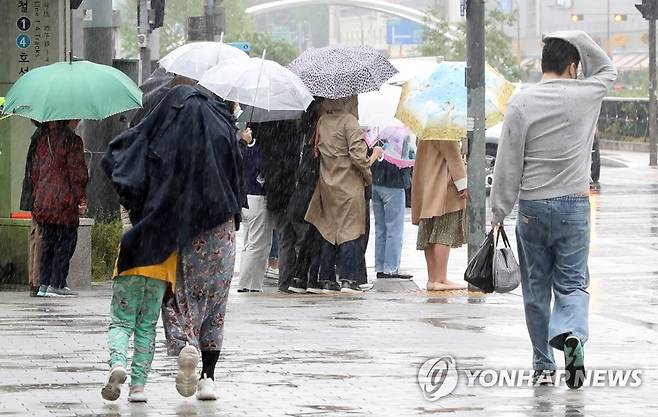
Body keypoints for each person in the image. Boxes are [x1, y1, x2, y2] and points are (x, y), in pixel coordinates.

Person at [490, 31, 617, 389]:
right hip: (575, 206)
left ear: (541, 64)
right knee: (573, 283)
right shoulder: (587, 93)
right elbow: (607, 68)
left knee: (535, 289)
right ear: (573, 66)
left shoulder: (521, 102)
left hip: (532, 206)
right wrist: (574, 36)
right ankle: (573, 335)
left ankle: (543, 363)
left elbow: (508, 161)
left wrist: (499, 211)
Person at [102, 83, 243, 401]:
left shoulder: (168, 119)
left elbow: (131, 159)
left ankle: (185, 346)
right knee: (216, 306)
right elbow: (237, 181)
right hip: (221, 227)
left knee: (180, 300)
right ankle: (208, 377)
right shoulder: (221, 124)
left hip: (182, 226)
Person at [305, 96, 382, 293]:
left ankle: (327, 279)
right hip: (348, 185)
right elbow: (359, 159)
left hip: (327, 183)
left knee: (329, 232)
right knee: (351, 232)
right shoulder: (350, 122)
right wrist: (373, 157)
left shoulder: (322, 121)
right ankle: (348, 278)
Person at [31, 120, 88, 297]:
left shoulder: (42, 141)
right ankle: (57, 283)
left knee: (48, 243)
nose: (77, 120)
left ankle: (44, 284)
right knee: (65, 243)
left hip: (44, 201)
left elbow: (34, 173)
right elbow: (77, 173)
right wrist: (81, 198)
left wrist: (38, 195)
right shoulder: (72, 141)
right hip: (63, 203)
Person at [411, 140, 467, 291]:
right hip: (443, 185)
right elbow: (454, 157)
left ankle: (433, 278)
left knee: (429, 231)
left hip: (427, 184)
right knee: (444, 231)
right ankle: (440, 278)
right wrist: (463, 184)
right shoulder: (444, 130)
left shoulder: (425, 128)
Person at [258, 121, 307, 293]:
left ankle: (284, 283)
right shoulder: (293, 132)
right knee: (300, 238)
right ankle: (299, 279)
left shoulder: (264, 128)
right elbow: (294, 165)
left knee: (285, 239)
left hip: (275, 193)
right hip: (292, 193)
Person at [237, 126, 274, 293]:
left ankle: (246, 281)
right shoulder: (256, 151)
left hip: (244, 198)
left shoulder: (240, 148)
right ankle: (249, 283)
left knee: (248, 243)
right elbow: (263, 171)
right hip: (256, 198)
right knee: (258, 244)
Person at [371, 157, 413, 280]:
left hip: (376, 180)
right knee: (394, 229)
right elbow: (408, 159)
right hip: (394, 182)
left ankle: (380, 266)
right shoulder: (401, 138)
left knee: (380, 228)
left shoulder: (376, 137)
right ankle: (391, 268)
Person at [20, 122, 46, 297]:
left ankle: (33, 280)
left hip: (35, 194)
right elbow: (37, 171)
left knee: (35, 236)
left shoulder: (37, 137)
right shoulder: (43, 139)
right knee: (39, 237)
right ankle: (36, 281)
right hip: (39, 195)